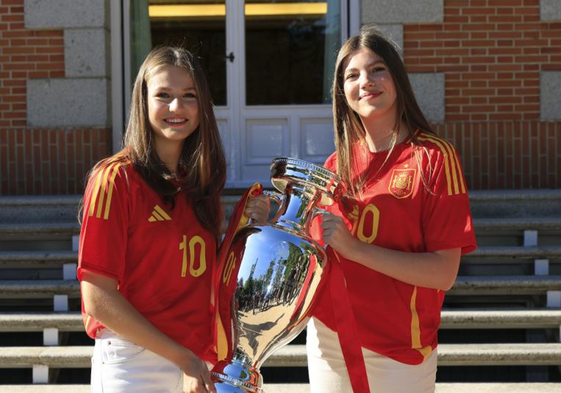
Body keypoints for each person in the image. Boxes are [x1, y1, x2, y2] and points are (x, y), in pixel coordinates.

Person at [78, 46, 267, 393]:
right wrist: (183, 358)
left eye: (188, 96)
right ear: (143, 101)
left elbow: (203, 276)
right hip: (134, 361)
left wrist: (248, 230)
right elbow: (97, 298)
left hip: (197, 357)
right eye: (163, 95)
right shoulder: (115, 179)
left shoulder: (200, 184)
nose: (177, 108)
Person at [305, 25, 477, 393]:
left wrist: (356, 249)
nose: (366, 81)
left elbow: (443, 273)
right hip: (329, 337)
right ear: (343, 93)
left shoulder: (433, 158)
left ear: (397, 78)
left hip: (398, 349)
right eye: (352, 75)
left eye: (377, 69)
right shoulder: (335, 165)